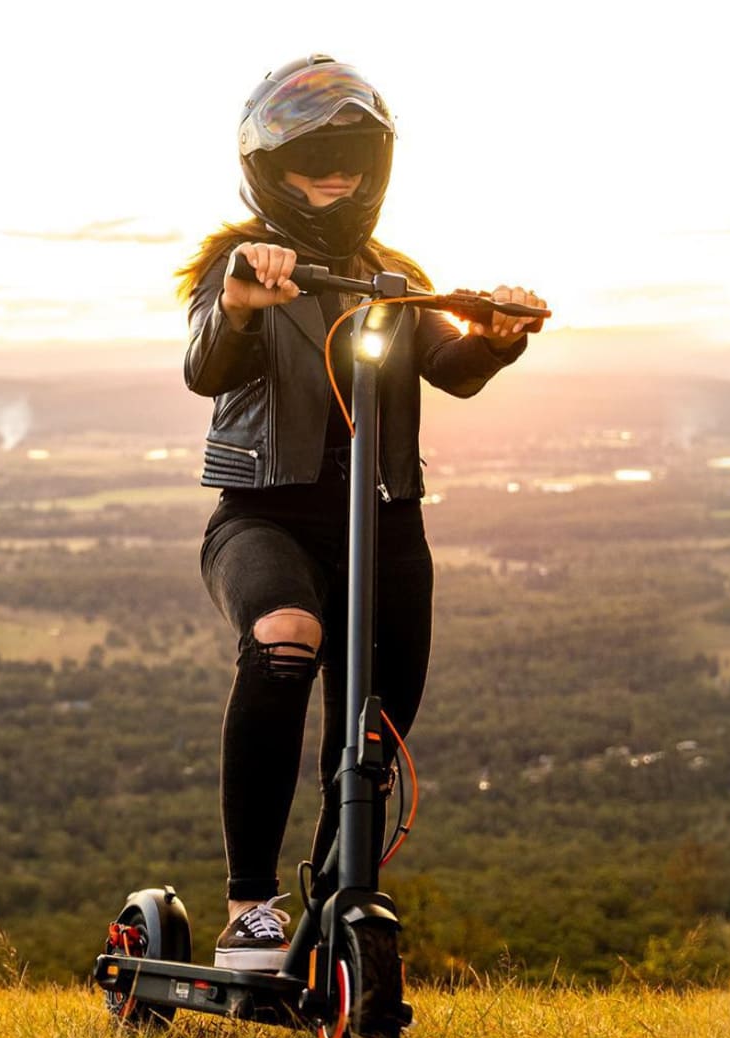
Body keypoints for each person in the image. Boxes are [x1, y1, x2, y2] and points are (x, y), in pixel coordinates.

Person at [176, 54, 545, 971]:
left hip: (385, 531)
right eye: (311, 161)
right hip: (264, 519)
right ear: (270, 169)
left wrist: (497, 339)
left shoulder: (394, 277)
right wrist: (241, 301)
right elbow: (206, 368)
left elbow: (451, 369)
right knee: (284, 638)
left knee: (376, 729)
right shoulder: (239, 267)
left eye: (349, 159)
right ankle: (250, 908)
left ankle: (335, 905)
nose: (332, 176)